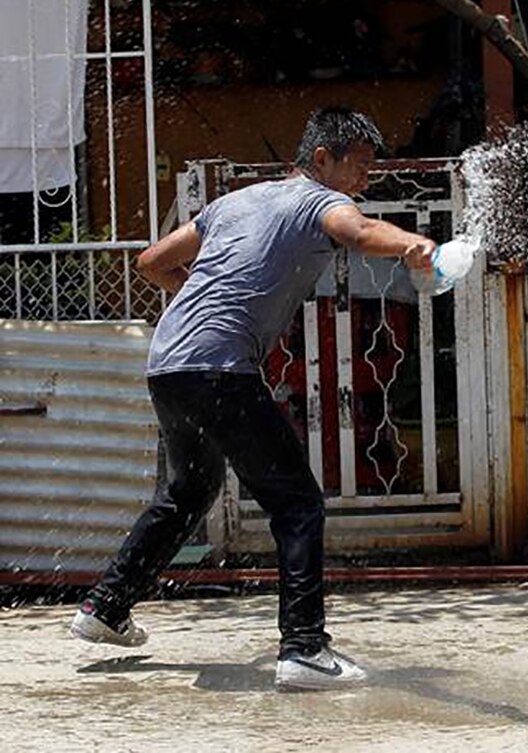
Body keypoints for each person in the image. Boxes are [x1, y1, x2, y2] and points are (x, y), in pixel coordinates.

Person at [69, 106, 436, 692]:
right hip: (219, 370)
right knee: (297, 503)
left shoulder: (235, 202)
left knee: (189, 490)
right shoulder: (319, 201)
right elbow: (361, 232)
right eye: (361, 167)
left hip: (168, 365)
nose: (366, 180)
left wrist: (202, 302)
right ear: (322, 159)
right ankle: (304, 650)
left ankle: (106, 608)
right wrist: (414, 242)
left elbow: (151, 262)